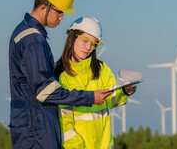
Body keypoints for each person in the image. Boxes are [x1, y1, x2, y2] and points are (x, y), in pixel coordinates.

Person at [8, 0, 113, 149]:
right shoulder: (33, 40)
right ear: (44, 7)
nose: (62, 17)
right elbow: (45, 91)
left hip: (32, 125)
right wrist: (90, 97)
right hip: (36, 128)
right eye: (59, 11)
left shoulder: (28, 33)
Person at [55, 16, 137, 149]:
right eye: (85, 41)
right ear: (73, 37)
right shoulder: (62, 76)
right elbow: (64, 122)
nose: (89, 47)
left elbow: (112, 101)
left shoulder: (101, 69)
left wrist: (124, 91)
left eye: (94, 44)